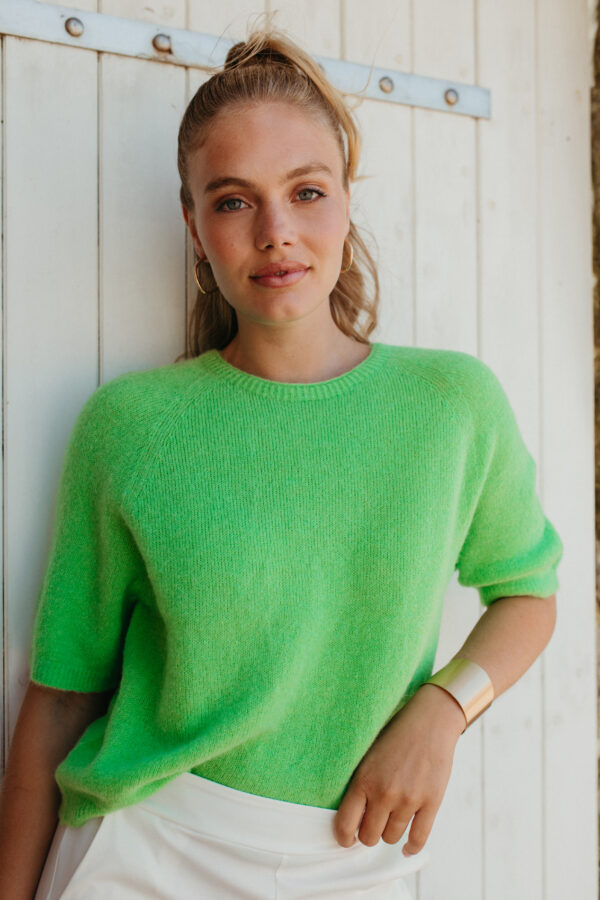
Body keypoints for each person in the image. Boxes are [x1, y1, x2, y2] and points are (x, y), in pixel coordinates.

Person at [0, 22, 563, 900]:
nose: (276, 232)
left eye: (306, 191)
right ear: (194, 227)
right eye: (233, 202)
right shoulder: (130, 426)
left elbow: (528, 593)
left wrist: (446, 710)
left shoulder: (452, 406)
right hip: (144, 851)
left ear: (346, 200)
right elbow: (63, 697)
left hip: (353, 859)